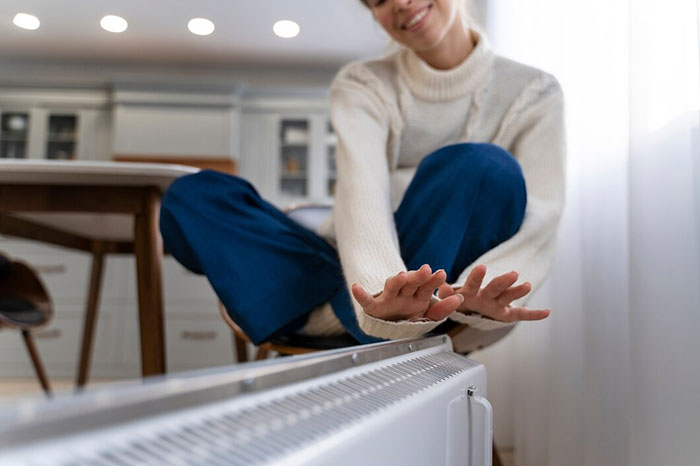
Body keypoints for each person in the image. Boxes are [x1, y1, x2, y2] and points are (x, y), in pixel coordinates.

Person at [159, 0, 566, 353]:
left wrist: (487, 287)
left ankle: (318, 311)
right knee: (194, 193)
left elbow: (541, 215)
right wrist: (375, 292)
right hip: (343, 265)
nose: (400, 4)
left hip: (445, 288)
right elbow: (362, 191)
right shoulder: (363, 83)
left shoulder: (534, 92)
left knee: (484, 168)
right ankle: (352, 310)